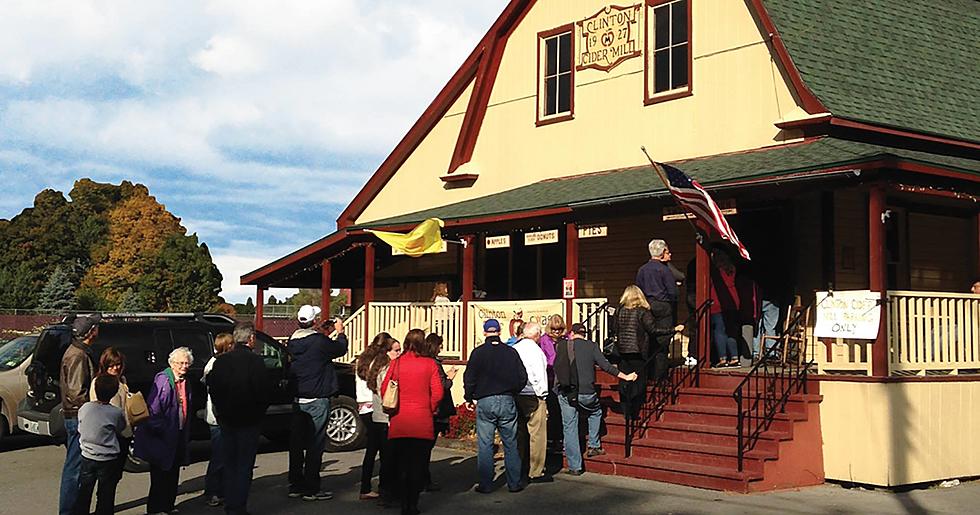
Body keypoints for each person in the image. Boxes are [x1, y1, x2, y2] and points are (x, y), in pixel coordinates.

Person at [554, 323, 637, 475]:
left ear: (572, 333)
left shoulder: (561, 346)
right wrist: (626, 376)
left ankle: (575, 467)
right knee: (596, 412)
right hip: (586, 392)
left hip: (566, 391)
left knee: (569, 427)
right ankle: (593, 445)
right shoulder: (592, 346)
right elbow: (606, 366)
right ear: (584, 334)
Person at [286, 305, 348, 501]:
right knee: (315, 444)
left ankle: (295, 484)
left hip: (298, 398)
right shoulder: (318, 342)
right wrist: (340, 332)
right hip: (317, 398)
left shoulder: (293, 340)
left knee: (297, 443)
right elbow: (339, 348)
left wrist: (322, 331)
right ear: (314, 321)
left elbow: (316, 346)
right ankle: (312, 488)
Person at [208, 322, 270, 515]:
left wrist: (221, 412)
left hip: (227, 419)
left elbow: (213, 389)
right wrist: (259, 412)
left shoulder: (222, 361)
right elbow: (264, 392)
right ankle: (238, 506)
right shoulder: (256, 362)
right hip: (249, 420)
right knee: (244, 466)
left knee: (230, 463)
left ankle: (230, 503)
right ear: (251, 339)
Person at [380, 329, 444, 515]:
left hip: (400, 420)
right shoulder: (430, 364)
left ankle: (403, 502)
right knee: (418, 465)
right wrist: (430, 407)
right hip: (422, 421)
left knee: (401, 465)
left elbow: (385, 389)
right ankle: (413, 504)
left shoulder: (397, 364)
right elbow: (438, 392)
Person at [463, 319, 528, 494]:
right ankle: (514, 483)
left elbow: (469, 378)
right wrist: (513, 391)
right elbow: (523, 377)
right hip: (507, 399)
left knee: (485, 444)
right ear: (500, 332)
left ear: (485, 333)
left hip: (485, 400)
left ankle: (486, 484)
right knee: (510, 443)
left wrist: (468, 397)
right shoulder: (511, 352)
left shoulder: (477, 353)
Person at [134, 347, 194, 514]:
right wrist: (164, 430)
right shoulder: (164, 380)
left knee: (173, 472)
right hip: (163, 435)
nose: (184, 366)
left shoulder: (185, 381)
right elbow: (154, 410)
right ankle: (155, 509)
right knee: (160, 474)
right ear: (172, 364)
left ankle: (168, 506)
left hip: (177, 434)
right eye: (180, 363)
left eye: (187, 363)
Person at [614, 285, 680, 417]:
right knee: (639, 381)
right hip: (638, 351)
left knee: (624, 380)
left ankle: (626, 410)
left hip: (622, 351)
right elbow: (653, 330)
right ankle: (634, 411)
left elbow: (615, 328)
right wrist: (673, 329)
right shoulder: (642, 311)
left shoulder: (619, 310)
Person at [60, 313, 100, 515]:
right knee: (74, 469)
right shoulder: (77, 355)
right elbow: (76, 392)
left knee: (77, 467)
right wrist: (92, 411)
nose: (98, 330)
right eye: (96, 327)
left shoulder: (79, 351)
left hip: (77, 416)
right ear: (90, 333)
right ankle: (68, 511)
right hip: (77, 417)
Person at [74, 375, 127, 515]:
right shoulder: (115, 412)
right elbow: (121, 428)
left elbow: (80, 426)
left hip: (87, 455)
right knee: (106, 493)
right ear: (114, 392)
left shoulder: (85, 408)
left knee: (84, 490)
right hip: (108, 458)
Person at [355, 332, 397, 500]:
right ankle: (384, 487)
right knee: (385, 451)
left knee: (371, 450)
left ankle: (365, 486)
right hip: (375, 406)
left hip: (362, 405)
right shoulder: (381, 363)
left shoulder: (362, 359)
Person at [418, 333, 457, 492]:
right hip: (434, 410)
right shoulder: (434, 364)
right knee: (425, 448)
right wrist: (450, 378)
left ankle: (422, 478)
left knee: (422, 448)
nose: (441, 348)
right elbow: (441, 387)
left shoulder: (423, 362)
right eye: (440, 345)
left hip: (425, 409)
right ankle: (423, 479)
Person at [366, 336, 402, 505]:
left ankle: (385, 491)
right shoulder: (387, 368)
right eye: (396, 350)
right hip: (386, 417)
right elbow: (388, 395)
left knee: (385, 457)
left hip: (377, 416)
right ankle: (387, 493)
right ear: (387, 351)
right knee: (389, 459)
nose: (399, 353)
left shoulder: (375, 365)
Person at [511, 322, 549, 484]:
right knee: (537, 434)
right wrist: (543, 396)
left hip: (516, 394)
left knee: (519, 433)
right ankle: (536, 470)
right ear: (537, 335)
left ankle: (519, 465)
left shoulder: (515, 349)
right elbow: (540, 375)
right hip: (533, 394)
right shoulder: (536, 351)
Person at [636, 239, 678, 375]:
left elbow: (638, 289)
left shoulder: (642, 270)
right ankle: (660, 377)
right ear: (662, 253)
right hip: (663, 305)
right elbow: (673, 291)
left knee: (648, 341)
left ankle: (648, 373)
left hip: (647, 305)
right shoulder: (664, 270)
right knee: (662, 343)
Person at [202, 333, 234, 508]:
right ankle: (212, 491)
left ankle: (221, 490)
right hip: (217, 417)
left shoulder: (214, 362)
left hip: (219, 415)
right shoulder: (215, 364)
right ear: (227, 346)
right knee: (219, 456)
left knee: (225, 455)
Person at [88, 347, 132, 465]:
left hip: (124, 431)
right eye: (111, 365)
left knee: (117, 473)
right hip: (109, 434)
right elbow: (97, 407)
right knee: (108, 474)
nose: (115, 368)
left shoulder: (122, 380)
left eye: (118, 364)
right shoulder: (98, 382)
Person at [710, 248, 741, 367]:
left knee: (719, 330)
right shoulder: (731, 268)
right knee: (731, 330)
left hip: (718, 300)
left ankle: (722, 359)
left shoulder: (715, 271)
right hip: (733, 301)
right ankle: (734, 357)